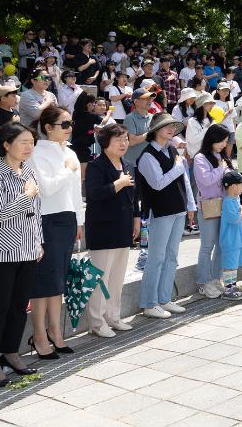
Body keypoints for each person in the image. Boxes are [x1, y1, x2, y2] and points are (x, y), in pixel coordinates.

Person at [0, 123, 43, 386]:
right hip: (3, 252)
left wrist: (39, 241)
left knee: (18, 307)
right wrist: (26, 196)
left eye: (31, 142)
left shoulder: (28, 171)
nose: (29, 147)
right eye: (23, 142)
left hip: (28, 249)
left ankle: (11, 351)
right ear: (6, 144)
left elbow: (37, 211)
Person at [28, 106, 84, 360]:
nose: (69, 127)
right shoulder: (36, 152)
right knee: (43, 283)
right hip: (46, 220)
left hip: (67, 219)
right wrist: (68, 169)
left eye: (70, 122)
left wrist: (79, 222)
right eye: (64, 123)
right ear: (48, 127)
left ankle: (55, 332)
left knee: (57, 281)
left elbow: (75, 193)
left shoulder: (70, 151)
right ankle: (39, 335)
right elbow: (46, 189)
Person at [82, 124, 138, 338]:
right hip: (102, 229)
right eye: (118, 140)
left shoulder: (128, 164)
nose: (123, 143)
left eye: (125, 139)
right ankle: (96, 322)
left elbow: (135, 197)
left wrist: (136, 219)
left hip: (123, 227)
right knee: (100, 279)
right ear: (105, 143)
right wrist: (119, 183)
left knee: (116, 277)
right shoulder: (97, 166)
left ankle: (113, 316)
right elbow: (94, 193)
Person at [136, 113, 193, 319]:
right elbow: (157, 183)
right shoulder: (147, 155)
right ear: (155, 130)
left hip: (178, 208)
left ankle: (164, 298)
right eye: (165, 126)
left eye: (172, 126)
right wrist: (178, 168)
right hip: (160, 211)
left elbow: (184, 180)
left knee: (171, 257)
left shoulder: (170, 149)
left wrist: (190, 204)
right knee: (156, 257)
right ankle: (149, 303)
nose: (170, 129)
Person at [192, 124, 234, 299]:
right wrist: (222, 169)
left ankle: (216, 278)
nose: (224, 145)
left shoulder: (221, 157)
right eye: (221, 141)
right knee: (207, 245)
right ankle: (203, 282)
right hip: (208, 206)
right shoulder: (200, 158)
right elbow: (206, 180)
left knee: (221, 244)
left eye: (225, 142)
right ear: (212, 139)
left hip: (223, 205)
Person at [217, 171, 242, 300]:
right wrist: (241, 210)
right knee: (229, 266)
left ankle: (232, 287)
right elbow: (234, 219)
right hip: (230, 240)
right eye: (241, 184)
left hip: (237, 239)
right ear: (232, 187)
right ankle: (228, 290)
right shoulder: (228, 201)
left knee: (233, 265)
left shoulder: (235, 199)